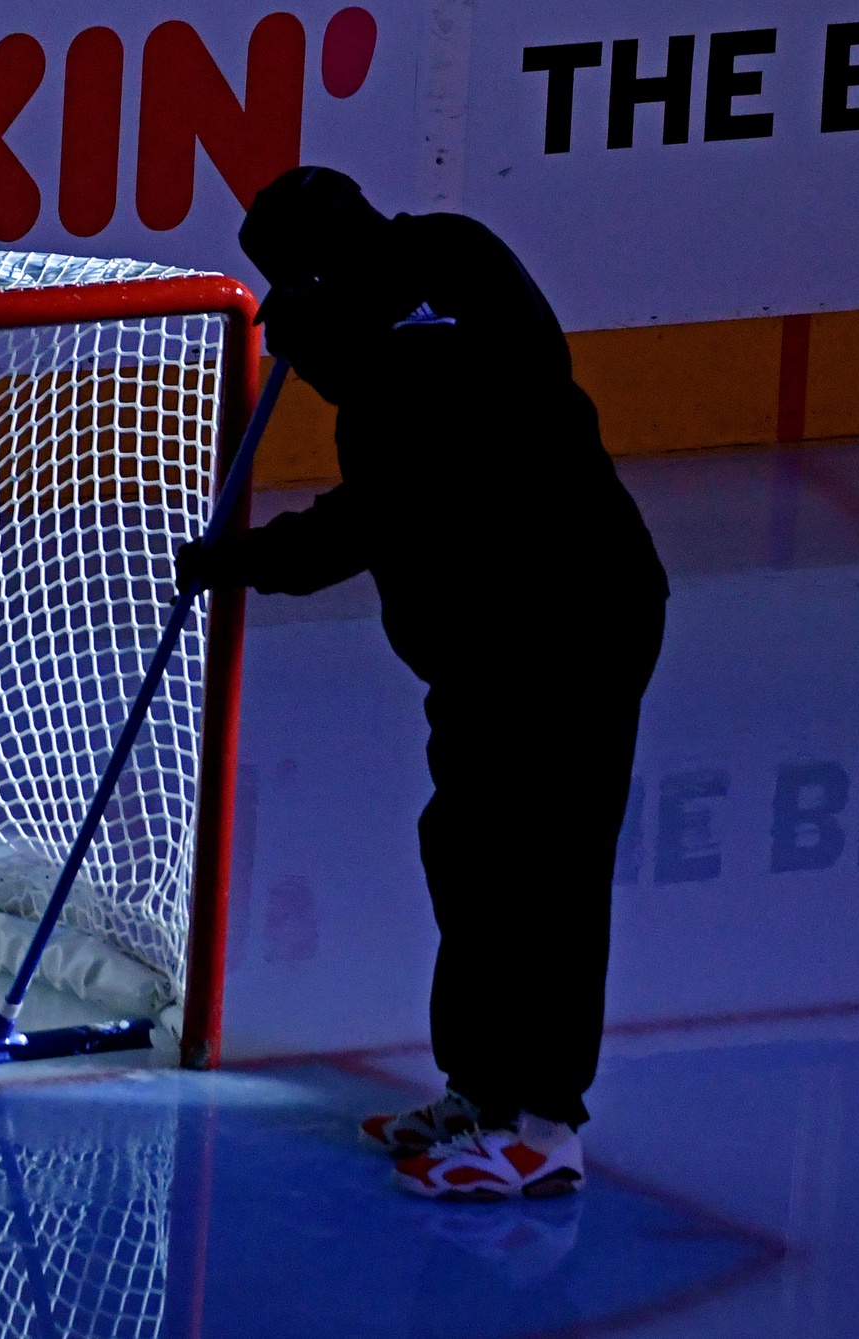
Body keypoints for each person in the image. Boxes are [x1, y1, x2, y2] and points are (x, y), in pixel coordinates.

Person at [181, 166, 668, 1200]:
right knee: (468, 851)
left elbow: (383, 505)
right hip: (487, 645)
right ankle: (480, 1091)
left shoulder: (418, 342)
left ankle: (542, 1124)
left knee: (540, 870)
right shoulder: (439, 266)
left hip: (569, 621)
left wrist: (241, 559)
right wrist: (352, 348)